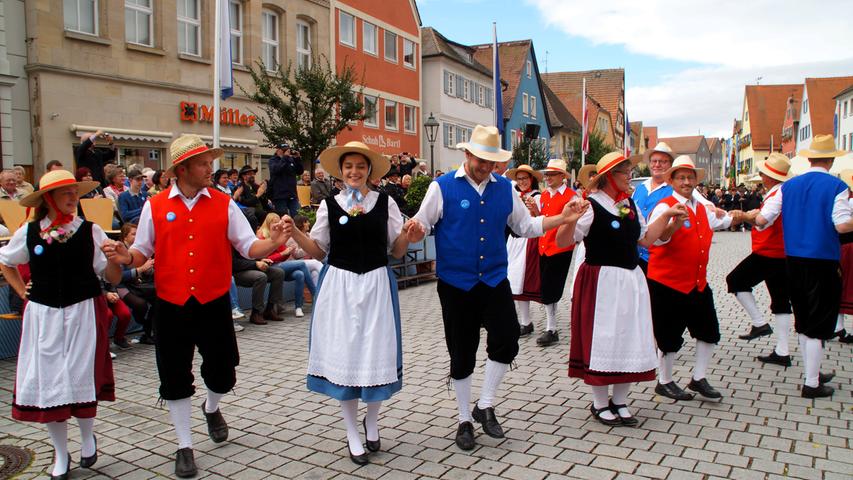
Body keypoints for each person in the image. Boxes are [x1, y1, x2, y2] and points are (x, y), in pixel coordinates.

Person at [101, 134, 292, 477]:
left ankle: (211, 405)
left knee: (223, 371)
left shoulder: (223, 203)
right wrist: (124, 256)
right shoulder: (155, 206)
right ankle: (184, 445)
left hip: (213, 298)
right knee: (174, 375)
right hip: (172, 302)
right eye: (204, 163)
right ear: (182, 169)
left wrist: (274, 242)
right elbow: (141, 252)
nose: (210, 168)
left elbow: (249, 247)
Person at [406, 125, 586, 451]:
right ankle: (463, 419)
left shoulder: (504, 188)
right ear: (467, 154)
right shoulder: (442, 186)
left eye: (492, 162)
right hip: (456, 283)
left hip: (492, 279)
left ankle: (485, 404)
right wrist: (415, 232)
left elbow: (526, 226)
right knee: (462, 352)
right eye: (481, 161)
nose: (487, 167)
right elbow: (422, 226)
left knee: (506, 339)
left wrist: (561, 218)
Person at [286, 141, 413, 465]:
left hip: (375, 286)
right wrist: (294, 234)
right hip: (340, 287)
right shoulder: (329, 205)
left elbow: (397, 251)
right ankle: (351, 432)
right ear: (340, 172)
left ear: (369, 170)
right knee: (346, 356)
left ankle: (372, 420)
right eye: (348, 167)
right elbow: (317, 250)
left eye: (359, 166)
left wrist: (409, 236)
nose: (354, 172)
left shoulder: (386, 203)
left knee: (375, 353)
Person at [0, 169, 122, 479]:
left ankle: (85, 439)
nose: (72, 197)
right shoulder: (28, 233)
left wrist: (112, 259)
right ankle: (60, 454)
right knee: (52, 383)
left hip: (82, 311)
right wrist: (20, 289)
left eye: (74, 192)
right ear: (48, 199)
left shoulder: (91, 231)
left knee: (79, 377)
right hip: (43, 315)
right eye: (66, 192)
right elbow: (7, 262)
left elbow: (111, 278)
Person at [557, 152, 688, 426]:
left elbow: (645, 240)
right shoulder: (591, 206)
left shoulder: (630, 204)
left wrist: (669, 221)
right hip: (601, 281)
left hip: (630, 280)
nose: (629, 176)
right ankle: (599, 403)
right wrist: (567, 219)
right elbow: (563, 242)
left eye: (629, 171)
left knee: (629, 337)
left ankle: (620, 400)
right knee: (604, 338)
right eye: (624, 172)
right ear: (608, 177)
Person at [748, 134, 853, 398]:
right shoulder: (836, 186)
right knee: (819, 324)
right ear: (830, 159)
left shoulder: (788, 186)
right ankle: (811, 383)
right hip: (823, 262)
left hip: (792, 261)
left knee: (804, 320)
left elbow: (762, 219)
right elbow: (841, 225)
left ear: (810, 159)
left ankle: (812, 374)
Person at [647, 155, 743, 402]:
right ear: (672, 181)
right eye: (681, 177)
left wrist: (745, 216)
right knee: (668, 336)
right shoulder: (663, 206)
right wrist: (672, 225)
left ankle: (699, 378)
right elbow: (655, 239)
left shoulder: (701, 207)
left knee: (709, 331)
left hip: (696, 282)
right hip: (667, 282)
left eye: (690, 178)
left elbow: (723, 220)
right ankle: (664, 381)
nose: (687, 182)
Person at [726, 154, 794, 369]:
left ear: (769, 177)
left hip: (769, 252)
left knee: (735, 280)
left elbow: (764, 221)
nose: (762, 175)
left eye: (764, 172)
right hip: (782, 253)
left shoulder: (776, 195)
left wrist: (746, 216)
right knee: (781, 301)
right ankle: (782, 351)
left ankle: (759, 323)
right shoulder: (783, 192)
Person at [535, 159, 577, 346]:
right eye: (547, 174)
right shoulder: (544, 195)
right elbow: (542, 220)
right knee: (546, 287)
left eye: (552, 174)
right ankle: (551, 326)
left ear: (562, 176)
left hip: (560, 247)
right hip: (544, 246)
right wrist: (535, 211)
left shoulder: (571, 196)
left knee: (552, 288)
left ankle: (551, 328)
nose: (548, 177)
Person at [504, 164, 543, 336]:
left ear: (531, 180)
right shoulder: (514, 195)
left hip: (529, 241)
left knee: (524, 279)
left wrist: (534, 209)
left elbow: (542, 219)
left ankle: (528, 321)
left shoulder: (538, 196)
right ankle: (524, 321)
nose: (522, 182)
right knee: (513, 280)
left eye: (525, 179)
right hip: (514, 241)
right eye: (519, 179)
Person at [256, 212, 316, 318]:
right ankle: (316, 295)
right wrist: (282, 253)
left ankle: (298, 307)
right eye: (275, 222)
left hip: (281, 265)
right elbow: (262, 258)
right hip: (269, 266)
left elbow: (283, 256)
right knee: (302, 264)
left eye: (279, 221)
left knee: (299, 274)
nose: (278, 224)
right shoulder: (262, 235)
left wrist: (287, 252)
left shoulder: (279, 234)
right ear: (268, 223)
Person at [117, 223, 156, 345]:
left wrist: (149, 269)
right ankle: (145, 327)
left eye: (138, 234)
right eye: (133, 234)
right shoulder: (119, 250)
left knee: (158, 298)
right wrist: (140, 270)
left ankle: (149, 333)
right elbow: (119, 277)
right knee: (141, 304)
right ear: (124, 238)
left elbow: (146, 273)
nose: (137, 236)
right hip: (120, 286)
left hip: (138, 285)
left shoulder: (143, 250)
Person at [835, 169, 853, 343]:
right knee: (847, 287)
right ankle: (838, 327)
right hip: (849, 247)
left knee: (843, 286)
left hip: (843, 246)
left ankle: (838, 326)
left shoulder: (845, 202)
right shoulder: (849, 203)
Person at [268, 143, 304, 217]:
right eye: (283, 150)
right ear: (278, 150)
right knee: (283, 217)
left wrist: (297, 159)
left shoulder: (290, 160)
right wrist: (284, 157)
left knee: (298, 216)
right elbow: (276, 170)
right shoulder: (273, 160)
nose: (286, 152)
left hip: (292, 194)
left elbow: (300, 171)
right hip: (280, 195)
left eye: (287, 150)